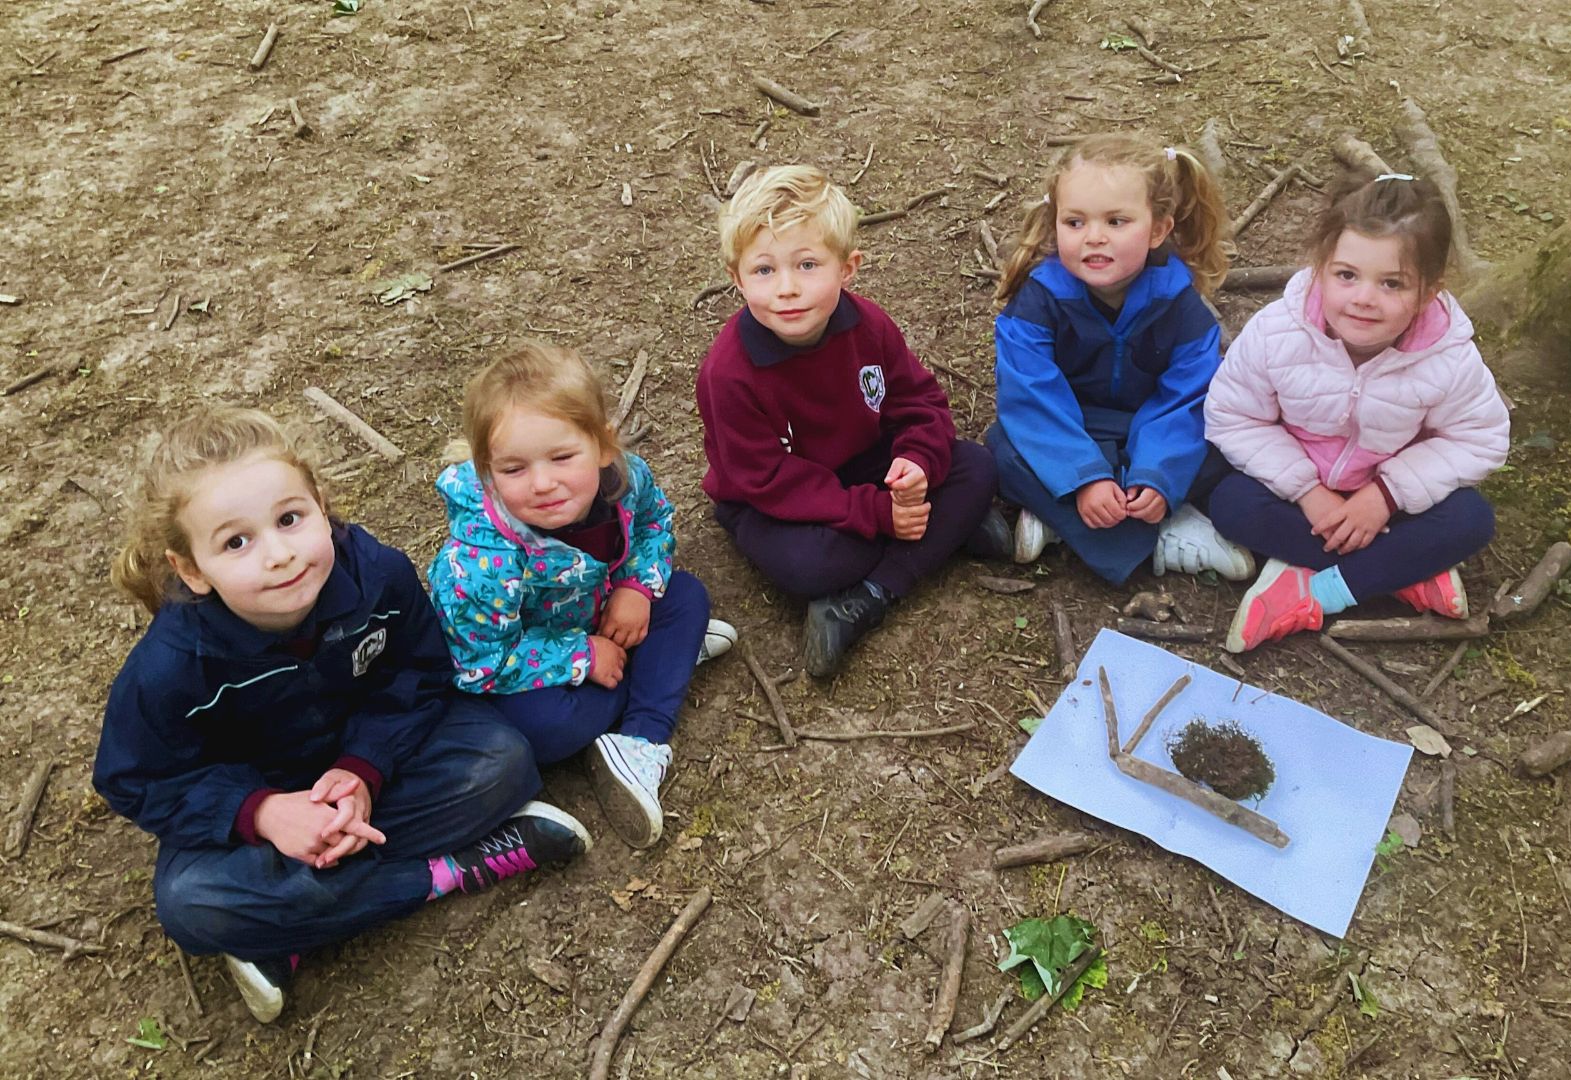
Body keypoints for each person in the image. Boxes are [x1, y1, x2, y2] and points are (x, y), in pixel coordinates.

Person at [94, 407, 590, 1025]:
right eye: (236, 542)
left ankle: (290, 926)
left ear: (321, 508)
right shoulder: (170, 669)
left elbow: (419, 676)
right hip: (265, 812)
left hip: (374, 780)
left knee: (502, 760)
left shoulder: (377, 576)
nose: (278, 554)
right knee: (191, 905)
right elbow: (135, 778)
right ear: (192, 569)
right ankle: (445, 873)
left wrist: (364, 768)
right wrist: (263, 813)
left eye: (290, 519)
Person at [696, 164, 1007, 677]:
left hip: (864, 463)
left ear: (847, 267)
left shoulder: (868, 325)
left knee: (976, 466)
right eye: (764, 271)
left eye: (808, 265)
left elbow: (919, 403)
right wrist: (878, 513)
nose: (787, 289)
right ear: (737, 278)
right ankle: (936, 538)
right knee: (814, 566)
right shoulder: (729, 374)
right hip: (771, 500)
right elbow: (765, 479)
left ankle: (870, 592)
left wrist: (916, 462)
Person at [429, 346, 736, 848]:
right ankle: (661, 668)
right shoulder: (481, 563)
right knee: (545, 730)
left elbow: (655, 524)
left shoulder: (625, 479)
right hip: (534, 663)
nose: (543, 483)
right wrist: (579, 657)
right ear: (486, 471)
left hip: (605, 612)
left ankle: (640, 742)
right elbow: (480, 664)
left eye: (562, 457)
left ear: (602, 447)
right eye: (514, 469)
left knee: (685, 595)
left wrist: (637, 587)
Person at [1205, 173, 1508, 652]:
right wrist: (1307, 491)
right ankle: (1402, 573)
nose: (1364, 298)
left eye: (1392, 283)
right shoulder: (1277, 332)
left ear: (1429, 292)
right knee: (1229, 502)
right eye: (1346, 275)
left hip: (1389, 501)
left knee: (1470, 520)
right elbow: (1233, 416)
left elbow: (1480, 437)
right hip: (1296, 495)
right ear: (1321, 267)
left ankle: (1314, 592)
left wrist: (1385, 495)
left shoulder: (1447, 356)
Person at [988, 132, 1254, 586]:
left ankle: (1064, 516)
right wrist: (1083, 477)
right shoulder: (1039, 302)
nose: (1094, 238)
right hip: (1070, 429)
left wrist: (1157, 475)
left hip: (1147, 430)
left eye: (1116, 221)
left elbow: (1188, 399)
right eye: (1075, 223)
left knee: (1228, 440)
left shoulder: (1181, 305)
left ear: (1157, 229)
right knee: (1000, 448)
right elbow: (1030, 396)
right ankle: (1158, 529)